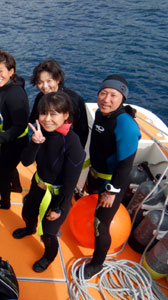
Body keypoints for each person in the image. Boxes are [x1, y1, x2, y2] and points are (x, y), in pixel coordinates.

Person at [12, 92, 85, 272]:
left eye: (54, 114)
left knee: (48, 234)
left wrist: (58, 208)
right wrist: (35, 143)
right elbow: (26, 162)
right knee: (27, 213)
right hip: (38, 185)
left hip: (57, 196)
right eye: (43, 113)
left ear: (66, 115)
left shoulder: (72, 143)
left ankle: (48, 256)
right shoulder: (41, 131)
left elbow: (70, 182)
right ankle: (29, 229)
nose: (47, 119)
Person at [80, 74, 140, 280]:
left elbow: (125, 165)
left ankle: (97, 262)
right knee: (88, 202)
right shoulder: (100, 114)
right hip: (96, 174)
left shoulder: (126, 125)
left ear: (122, 98)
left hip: (112, 183)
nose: (106, 99)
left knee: (100, 224)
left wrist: (112, 192)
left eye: (113, 95)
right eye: (103, 93)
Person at [0, 49, 29, 209]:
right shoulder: (14, 82)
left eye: (1, 71)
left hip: (16, 140)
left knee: (2, 172)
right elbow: (2, 68)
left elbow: (19, 126)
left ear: (11, 72)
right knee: (9, 166)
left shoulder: (14, 95)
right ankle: (16, 187)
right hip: (12, 137)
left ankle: (5, 203)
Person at [29, 59, 89, 148]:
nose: (45, 86)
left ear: (58, 79)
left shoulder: (71, 99)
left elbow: (82, 129)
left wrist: (78, 151)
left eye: (49, 81)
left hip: (66, 145)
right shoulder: (41, 97)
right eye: (40, 82)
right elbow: (33, 118)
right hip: (45, 140)